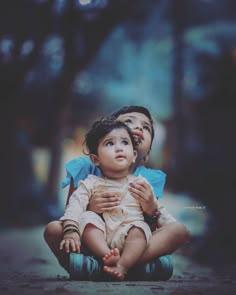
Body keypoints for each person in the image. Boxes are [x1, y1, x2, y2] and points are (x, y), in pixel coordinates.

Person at [44, 105, 190, 280]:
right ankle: (126, 267)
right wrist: (91, 209)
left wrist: (152, 209)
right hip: (94, 240)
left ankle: (114, 266)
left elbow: (156, 229)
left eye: (146, 127)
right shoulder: (88, 176)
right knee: (53, 229)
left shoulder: (145, 181)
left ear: (140, 153)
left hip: (132, 241)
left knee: (177, 231)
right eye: (129, 122)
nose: (138, 128)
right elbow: (71, 211)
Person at [60, 118, 164, 280]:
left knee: (140, 228)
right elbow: (75, 204)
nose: (118, 148)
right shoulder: (90, 182)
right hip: (100, 240)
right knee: (87, 218)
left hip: (130, 238)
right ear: (95, 159)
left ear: (133, 155)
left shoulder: (141, 183)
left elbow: (160, 213)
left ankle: (122, 266)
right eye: (110, 144)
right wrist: (70, 230)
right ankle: (108, 257)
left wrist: (160, 219)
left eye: (124, 143)